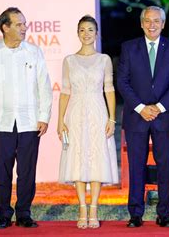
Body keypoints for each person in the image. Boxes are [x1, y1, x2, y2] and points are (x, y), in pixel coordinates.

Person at [0, 7, 53, 229]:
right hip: (0, 122)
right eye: (18, 24)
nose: (24, 28)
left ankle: (24, 213)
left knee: (27, 171)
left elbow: (44, 87)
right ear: (5, 27)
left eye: (24, 24)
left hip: (30, 122)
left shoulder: (34, 52)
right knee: (2, 171)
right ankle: (3, 214)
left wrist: (44, 116)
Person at [117, 6, 169, 228]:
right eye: (148, 20)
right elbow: (123, 82)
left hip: (164, 117)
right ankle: (135, 213)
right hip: (137, 118)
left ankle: (164, 213)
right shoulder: (129, 48)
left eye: (157, 21)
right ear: (141, 23)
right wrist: (140, 107)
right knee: (136, 165)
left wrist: (159, 106)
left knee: (165, 165)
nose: (152, 24)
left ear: (163, 24)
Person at [57, 15, 118, 229]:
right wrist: (60, 121)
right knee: (78, 159)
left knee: (96, 159)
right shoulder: (69, 61)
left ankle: (94, 208)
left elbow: (109, 89)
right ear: (77, 33)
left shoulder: (104, 60)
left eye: (90, 30)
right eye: (82, 30)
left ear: (96, 33)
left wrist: (112, 118)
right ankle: (82, 207)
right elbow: (65, 92)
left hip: (97, 112)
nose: (86, 34)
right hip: (74, 113)